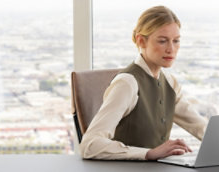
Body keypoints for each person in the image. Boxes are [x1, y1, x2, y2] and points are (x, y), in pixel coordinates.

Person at [80, 5, 207, 160]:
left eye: (176, 41)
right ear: (141, 41)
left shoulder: (169, 82)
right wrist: (149, 153)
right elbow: (89, 145)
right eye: (162, 41)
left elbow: (199, 126)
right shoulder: (127, 83)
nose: (171, 49)